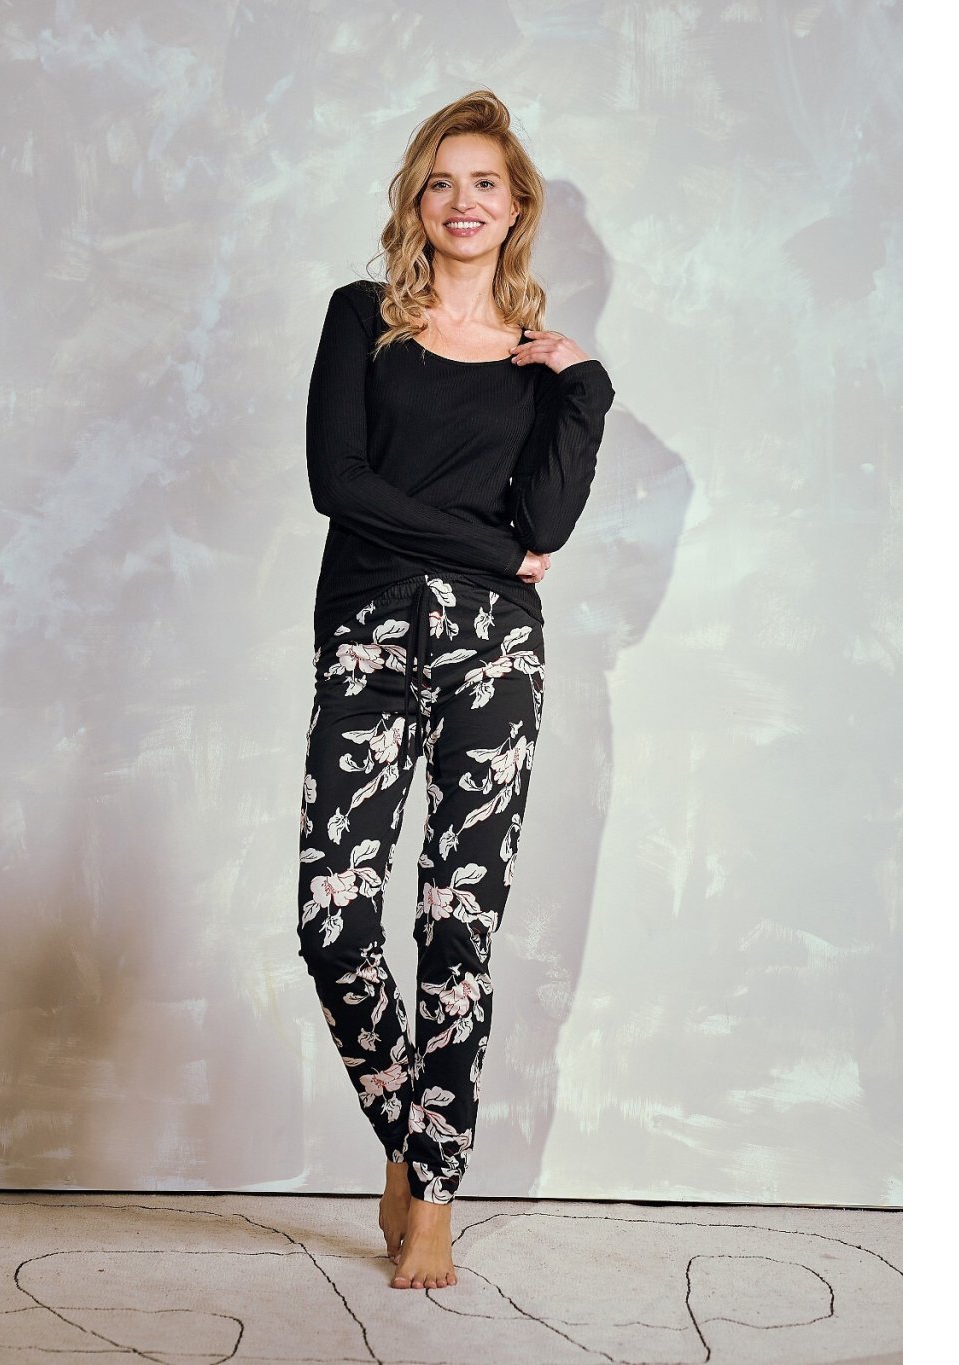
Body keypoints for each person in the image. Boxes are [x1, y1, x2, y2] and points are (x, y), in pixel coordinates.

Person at [296, 88, 615, 1290]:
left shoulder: (539, 369)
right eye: (441, 181)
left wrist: (584, 387)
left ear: (516, 206)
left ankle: (431, 1196)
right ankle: (406, 1135)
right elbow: (339, 482)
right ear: (416, 204)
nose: (462, 200)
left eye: (484, 182)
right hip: (369, 638)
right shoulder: (362, 320)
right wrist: (487, 550)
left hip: (494, 656)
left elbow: (548, 525)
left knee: (455, 926)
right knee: (333, 921)